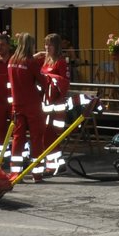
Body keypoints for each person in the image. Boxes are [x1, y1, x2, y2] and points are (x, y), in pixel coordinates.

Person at [6, 33, 45, 175]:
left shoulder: (11, 61)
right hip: (32, 104)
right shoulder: (30, 62)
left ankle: (15, 172)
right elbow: (43, 81)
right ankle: (37, 173)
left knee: (18, 138)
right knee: (36, 138)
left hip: (17, 105)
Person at [39, 33, 72, 176]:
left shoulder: (61, 62)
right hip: (45, 104)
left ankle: (52, 167)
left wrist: (49, 77)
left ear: (56, 46)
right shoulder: (45, 60)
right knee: (47, 135)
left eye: (50, 45)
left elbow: (65, 82)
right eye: (45, 44)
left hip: (56, 106)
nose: (47, 47)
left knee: (50, 135)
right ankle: (60, 164)